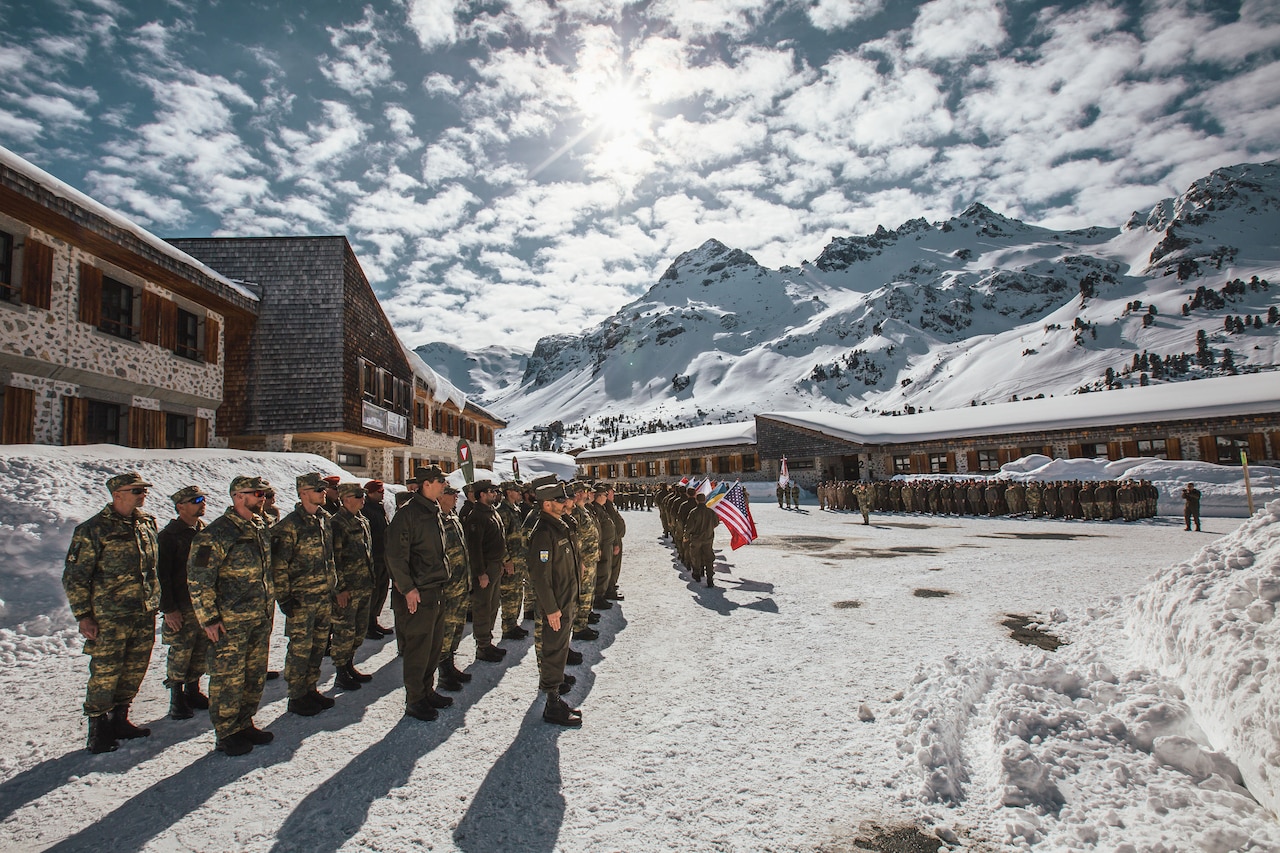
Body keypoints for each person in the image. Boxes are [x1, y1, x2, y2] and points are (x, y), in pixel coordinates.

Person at [63, 471, 160, 754]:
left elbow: (153, 568)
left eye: (144, 490)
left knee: (134, 668)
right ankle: (98, 729)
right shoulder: (92, 530)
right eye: (136, 490)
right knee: (106, 672)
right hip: (110, 616)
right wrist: (83, 615)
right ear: (117, 494)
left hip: (143, 612)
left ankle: (121, 718)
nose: (143, 494)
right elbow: (75, 576)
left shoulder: (146, 523)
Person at [187, 476, 275, 756]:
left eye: (263, 493)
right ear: (238, 496)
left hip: (259, 616)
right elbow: (199, 579)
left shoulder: (259, 527)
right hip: (230, 622)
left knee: (253, 674)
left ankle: (245, 722)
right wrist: (209, 618)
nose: (262, 497)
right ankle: (226, 732)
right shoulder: (216, 534)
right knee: (228, 677)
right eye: (256, 493)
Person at [386, 465, 453, 722]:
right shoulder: (408, 515)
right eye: (440, 482)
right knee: (418, 648)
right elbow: (395, 556)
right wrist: (408, 589)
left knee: (433, 646)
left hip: (435, 589)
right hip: (418, 593)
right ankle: (415, 699)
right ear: (427, 484)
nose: (444, 486)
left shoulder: (432, 511)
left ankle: (427, 691)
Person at [271, 473, 338, 717]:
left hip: (323, 597)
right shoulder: (289, 526)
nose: (323, 492)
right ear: (303, 493)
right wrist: (285, 598)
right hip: (301, 600)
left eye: (324, 488)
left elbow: (329, 558)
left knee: (318, 646)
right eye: (318, 489)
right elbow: (279, 565)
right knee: (300, 649)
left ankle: (310, 688)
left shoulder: (325, 520)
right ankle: (296, 695)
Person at [526, 480, 582, 726]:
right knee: (552, 651)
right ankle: (551, 703)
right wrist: (551, 608)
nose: (564, 503)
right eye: (559, 500)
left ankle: (555, 697)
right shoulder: (543, 533)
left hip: (566, 601)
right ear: (546, 504)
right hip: (556, 605)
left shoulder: (559, 527)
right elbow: (540, 576)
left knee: (560, 650)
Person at [158, 485, 210, 720]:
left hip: (201, 605)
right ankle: (177, 698)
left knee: (200, 650)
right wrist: (169, 609)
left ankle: (193, 690)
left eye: (203, 499)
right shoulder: (169, 536)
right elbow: (162, 576)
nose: (202, 503)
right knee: (180, 651)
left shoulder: (204, 532)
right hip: (181, 605)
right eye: (196, 500)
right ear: (181, 506)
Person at [330, 482, 376, 691]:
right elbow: (334, 559)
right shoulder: (337, 524)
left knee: (358, 630)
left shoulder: (362, 521)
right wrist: (340, 588)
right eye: (358, 496)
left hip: (363, 585)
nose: (362, 499)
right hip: (348, 589)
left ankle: (349, 665)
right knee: (344, 632)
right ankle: (340, 671)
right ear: (346, 499)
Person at [464, 479, 510, 662]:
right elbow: (473, 548)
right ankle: (482, 646)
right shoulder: (476, 516)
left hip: (495, 565)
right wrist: (480, 573)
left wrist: (504, 561)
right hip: (485, 568)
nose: (494, 493)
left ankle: (487, 642)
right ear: (481, 494)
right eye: (491, 491)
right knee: (483, 607)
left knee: (492, 605)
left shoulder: (492, 513)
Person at [436, 484, 472, 692]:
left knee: (457, 628)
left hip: (461, 583)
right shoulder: (436, 520)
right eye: (452, 494)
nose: (456, 497)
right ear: (441, 497)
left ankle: (450, 664)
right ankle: (443, 672)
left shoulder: (453, 517)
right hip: (448, 587)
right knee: (445, 630)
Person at [360, 480, 394, 639]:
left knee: (381, 590)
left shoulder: (378, 509)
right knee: (373, 592)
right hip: (374, 557)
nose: (382, 493)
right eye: (378, 491)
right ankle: (367, 625)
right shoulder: (366, 510)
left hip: (383, 556)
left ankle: (373, 620)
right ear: (370, 493)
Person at [684, 491, 719, 586]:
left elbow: (689, 526)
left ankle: (697, 574)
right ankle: (710, 578)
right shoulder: (711, 512)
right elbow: (716, 523)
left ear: (697, 500)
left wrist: (686, 536)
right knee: (709, 558)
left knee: (695, 556)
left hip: (696, 538)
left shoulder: (693, 512)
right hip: (708, 538)